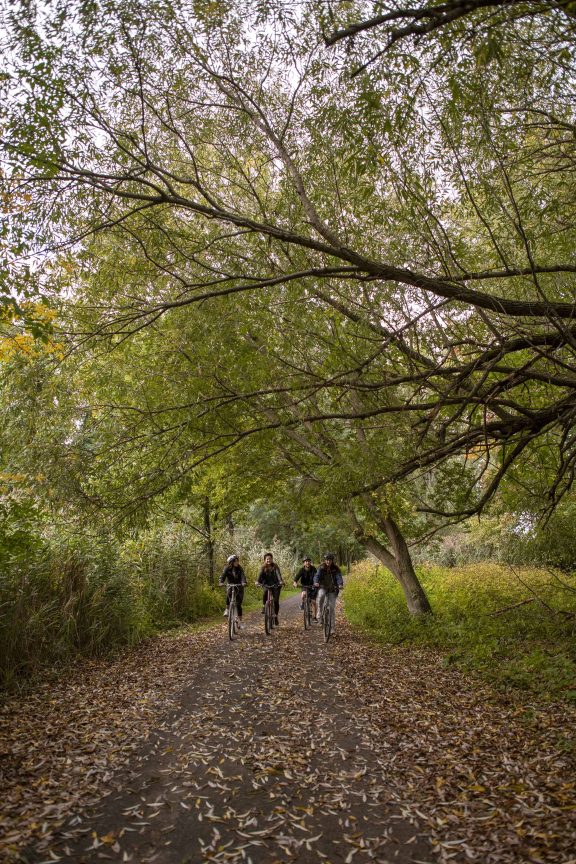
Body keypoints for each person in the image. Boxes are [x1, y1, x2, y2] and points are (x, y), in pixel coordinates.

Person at [314, 553, 344, 633]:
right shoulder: (321, 567)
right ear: (325, 560)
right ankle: (319, 611)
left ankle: (332, 628)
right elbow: (317, 576)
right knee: (321, 595)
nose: (328, 561)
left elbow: (339, 577)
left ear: (332, 560)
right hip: (323, 587)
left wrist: (340, 584)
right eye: (327, 560)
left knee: (331, 608)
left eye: (330, 560)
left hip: (332, 589)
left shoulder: (336, 568)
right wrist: (316, 582)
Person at [219, 554, 247, 628]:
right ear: (231, 562)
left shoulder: (240, 568)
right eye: (235, 561)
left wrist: (244, 582)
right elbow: (223, 576)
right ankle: (227, 609)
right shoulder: (227, 568)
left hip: (239, 586)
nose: (237, 562)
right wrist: (221, 582)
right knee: (228, 594)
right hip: (230, 585)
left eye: (237, 561)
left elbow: (243, 576)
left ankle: (240, 622)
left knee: (238, 604)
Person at [257, 552, 283, 625]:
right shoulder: (263, 567)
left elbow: (278, 574)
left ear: (272, 559)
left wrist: (280, 581)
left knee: (276, 601)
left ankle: (275, 617)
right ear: (265, 560)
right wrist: (257, 581)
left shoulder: (275, 566)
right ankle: (264, 606)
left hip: (276, 585)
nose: (268, 560)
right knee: (265, 592)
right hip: (266, 584)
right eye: (267, 559)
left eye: (270, 559)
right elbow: (260, 575)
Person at [293, 556, 318, 621]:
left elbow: (316, 576)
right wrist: (295, 582)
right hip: (304, 586)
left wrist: (317, 583)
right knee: (303, 594)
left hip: (312, 586)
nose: (307, 563)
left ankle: (314, 617)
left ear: (310, 562)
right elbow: (297, 577)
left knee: (313, 602)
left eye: (308, 561)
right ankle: (303, 603)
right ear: (304, 563)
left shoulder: (313, 569)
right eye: (306, 561)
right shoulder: (302, 570)